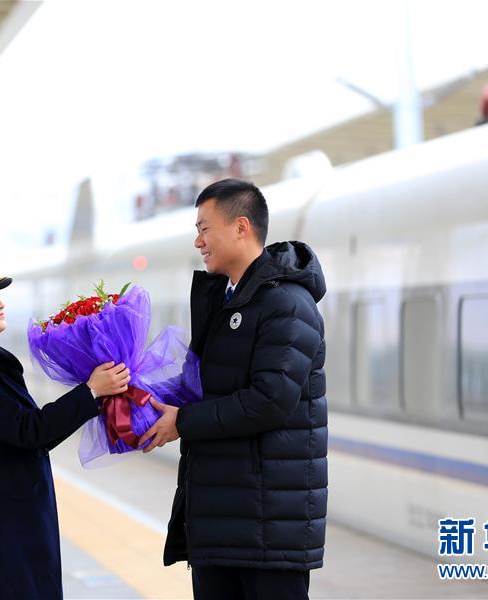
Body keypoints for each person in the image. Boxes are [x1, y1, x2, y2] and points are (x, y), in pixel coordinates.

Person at [140, 179, 328, 600]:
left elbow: (270, 401)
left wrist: (182, 422)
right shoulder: (228, 302)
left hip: (267, 527)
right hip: (223, 518)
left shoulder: (287, 305)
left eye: (205, 228)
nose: (198, 241)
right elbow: (204, 384)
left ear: (241, 227)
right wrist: (134, 395)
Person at [0, 246, 130, 600]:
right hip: (0, 531)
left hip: (16, 524)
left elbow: (29, 431)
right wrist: (90, 391)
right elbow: (28, 430)